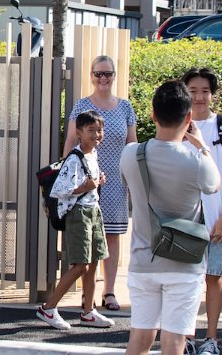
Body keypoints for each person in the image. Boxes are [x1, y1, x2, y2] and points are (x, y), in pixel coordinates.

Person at [120, 81, 219, 355]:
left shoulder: (131, 154)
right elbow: (215, 185)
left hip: (143, 259)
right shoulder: (197, 162)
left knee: (140, 337)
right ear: (189, 119)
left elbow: (125, 181)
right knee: (174, 342)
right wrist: (203, 148)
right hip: (184, 264)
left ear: (153, 114)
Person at [61, 55, 136, 312]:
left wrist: (134, 179)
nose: (103, 78)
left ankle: (110, 290)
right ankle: (87, 294)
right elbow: (71, 142)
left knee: (112, 236)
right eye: (98, 74)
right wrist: (69, 175)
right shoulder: (82, 106)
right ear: (91, 76)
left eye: (108, 74)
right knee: (88, 236)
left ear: (114, 75)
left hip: (115, 179)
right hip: (85, 180)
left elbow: (132, 145)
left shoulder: (125, 107)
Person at [35, 110, 115, 331]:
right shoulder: (74, 157)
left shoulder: (92, 154)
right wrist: (86, 187)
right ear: (79, 133)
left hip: (93, 211)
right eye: (91, 130)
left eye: (100, 130)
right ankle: (48, 308)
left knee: (94, 261)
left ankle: (88, 312)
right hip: (78, 213)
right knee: (81, 264)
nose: (97, 135)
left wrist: (98, 181)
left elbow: (88, 182)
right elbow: (60, 190)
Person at [183, 69, 222, 355]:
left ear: (213, 94)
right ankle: (185, 336)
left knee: (215, 278)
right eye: (193, 90)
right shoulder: (177, 125)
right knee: (187, 278)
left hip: (221, 217)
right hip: (186, 217)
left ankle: (211, 338)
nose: (199, 96)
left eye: (204, 90)